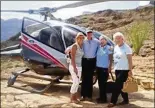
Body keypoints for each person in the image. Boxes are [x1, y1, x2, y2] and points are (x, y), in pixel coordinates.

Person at [108, 32, 133, 107]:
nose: (117, 40)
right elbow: (115, 58)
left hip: (124, 69)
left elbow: (130, 60)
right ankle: (126, 100)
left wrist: (130, 70)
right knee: (122, 86)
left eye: (119, 38)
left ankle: (113, 102)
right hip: (117, 69)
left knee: (117, 85)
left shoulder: (127, 48)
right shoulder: (116, 47)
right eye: (116, 38)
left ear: (122, 38)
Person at [80, 30, 100, 101]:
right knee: (84, 78)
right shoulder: (83, 41)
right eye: (88, 33)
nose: (89, 34)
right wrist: (68, 48)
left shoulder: (96, 41)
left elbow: (103, 45)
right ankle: (83, 95)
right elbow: (76, 44)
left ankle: (89, 95)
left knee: (90, 78)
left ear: (92, 34)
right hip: (85, 60)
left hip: (92, 61)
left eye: (90, 33)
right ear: (86, 34)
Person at [68, 32, 85, 103]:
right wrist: (75, 68)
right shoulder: (75, 46)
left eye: (82, 37)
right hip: (73, 66)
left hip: (79, 66)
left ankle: (74, 97)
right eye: (79, 37)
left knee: (77, 83)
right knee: (75, 82)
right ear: (76, 38)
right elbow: (72, 58)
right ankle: (72, 98)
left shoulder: (82, 46)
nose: (81, 39)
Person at [96, 35, 113, 103]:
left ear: (106, 41)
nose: (102, 41)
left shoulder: (109, 48)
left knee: (103, 84)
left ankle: (104, 99)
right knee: (100, 83)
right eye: (100, 39)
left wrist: (109, 67)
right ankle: (101, 97)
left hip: (104, 69)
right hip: (98, 68)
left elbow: (111, 59)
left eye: (103, 39)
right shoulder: (99, 48)